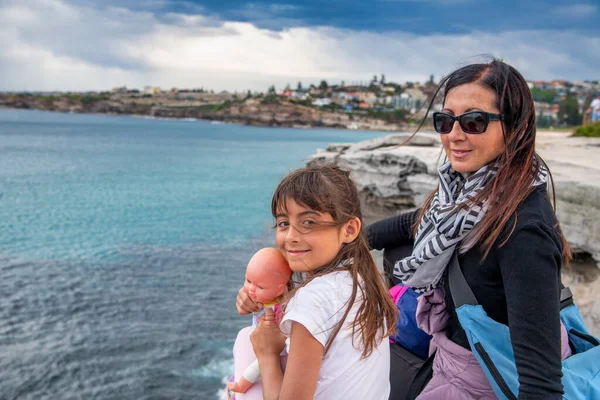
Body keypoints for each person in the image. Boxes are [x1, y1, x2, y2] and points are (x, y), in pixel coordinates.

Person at [368, 59, 573, 398]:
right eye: (445, 121)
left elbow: (541, 383)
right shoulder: (468, 194)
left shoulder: (523, 231)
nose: (454, 135)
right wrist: (343, 245)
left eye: (474, 122)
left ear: (515, 128)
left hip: (482, 379)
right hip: (452, 353)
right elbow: (413, 222)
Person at [235, 164, 397, 400]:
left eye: (308, 222)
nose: (291, 236)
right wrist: (263, 297)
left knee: (244, 342)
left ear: (349, 229)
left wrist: (268, 354)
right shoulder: (363, 279)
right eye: (283, 223)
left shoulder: (313, 298)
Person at [228, 248, 292, 398]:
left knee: (256, 367)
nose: (251, 288)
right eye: (248, 281)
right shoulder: (264, 299)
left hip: (276, 347)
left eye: (260, 287)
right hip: (260, 341)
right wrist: (247, 298)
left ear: (280, 290)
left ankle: (242, 384)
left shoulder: (282, 307)